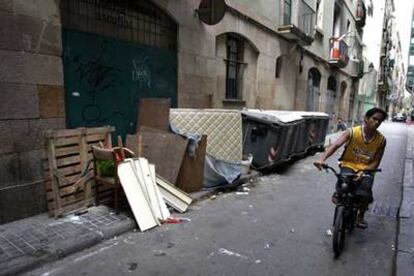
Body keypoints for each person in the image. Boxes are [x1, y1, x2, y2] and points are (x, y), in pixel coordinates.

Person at [314, 107, 387, 229]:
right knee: (343, 181)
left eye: (380, 121)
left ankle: (360, 216)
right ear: (366, 119)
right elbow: (336, 145)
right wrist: (322, 159)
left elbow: (376, 161)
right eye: (374, 119)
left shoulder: (381, 140)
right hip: (349, 164)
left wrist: (364, 171)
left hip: (367, 169)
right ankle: (339, 193)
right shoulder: (352, 132)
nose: (377, 122)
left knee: (364, 192)